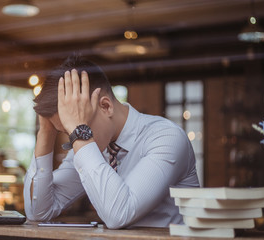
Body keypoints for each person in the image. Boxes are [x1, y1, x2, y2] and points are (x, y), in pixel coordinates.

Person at [23, 55, 200, 229]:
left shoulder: (166, 137)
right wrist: (46, 132)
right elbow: (38, 213)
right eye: (68, 132)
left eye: (79, 125)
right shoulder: (91, 145)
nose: (74, 138)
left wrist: (79, 130)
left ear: (106, 106)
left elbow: (119, 215)